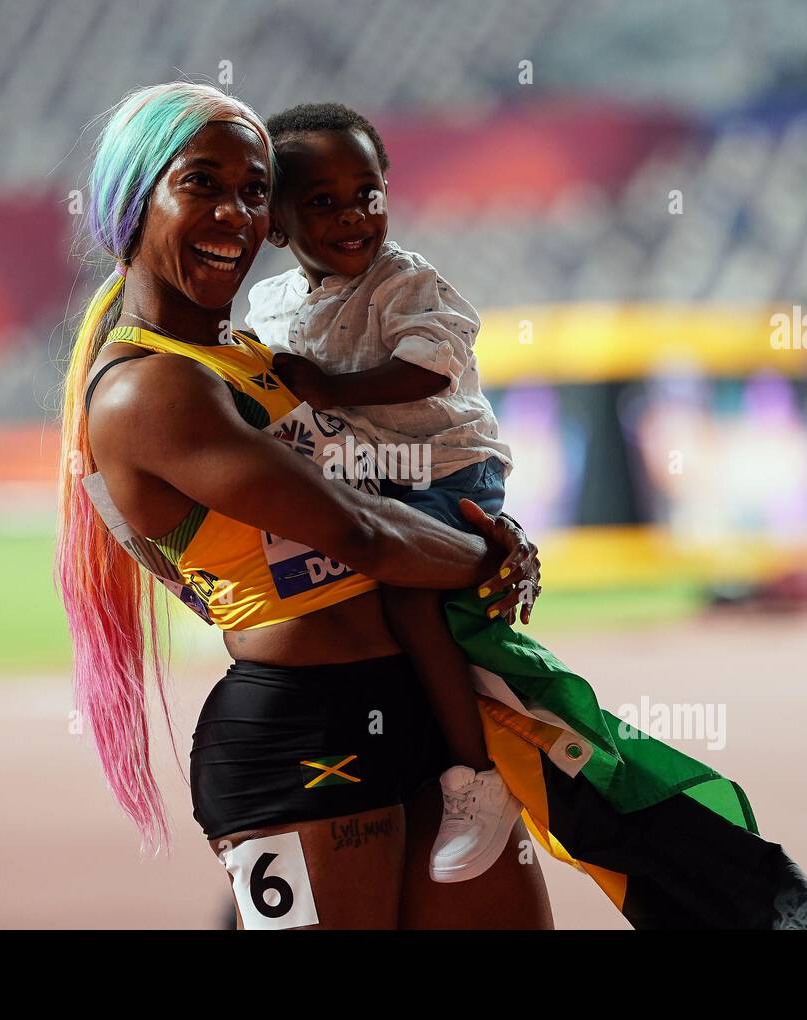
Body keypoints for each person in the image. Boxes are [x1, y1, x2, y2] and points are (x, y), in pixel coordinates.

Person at [55, 82, 552, 929]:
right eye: (201, 184)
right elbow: (360, 532)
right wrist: (490, 557)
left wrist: (482, 526)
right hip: (302, 733)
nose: (235, 214)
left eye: (254, 190)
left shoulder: (250, 353)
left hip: (421, 706)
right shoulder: (147, 390)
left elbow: (382, 489)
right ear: (133, 203)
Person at [245, 102, 525, 883]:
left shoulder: (406, 281)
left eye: (367, 193)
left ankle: (479, 774)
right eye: (321, 201)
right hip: (366, 481)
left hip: (444, 470)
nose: (353, 216)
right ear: (273, 223)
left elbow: (429, 368)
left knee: (405, 597)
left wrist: (331, 385)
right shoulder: (268, 305)